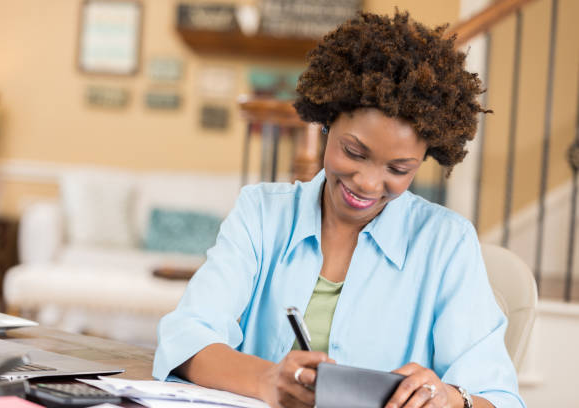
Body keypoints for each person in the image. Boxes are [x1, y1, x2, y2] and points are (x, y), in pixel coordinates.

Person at [153, 11, 524, 408]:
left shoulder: (446, 242)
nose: (366, 183)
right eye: (354, 152)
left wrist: (448, 399)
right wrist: (268, 380)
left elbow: (498, 398)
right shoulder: (261, 214)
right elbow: (187, 338)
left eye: (398, 169)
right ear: (327, 122)